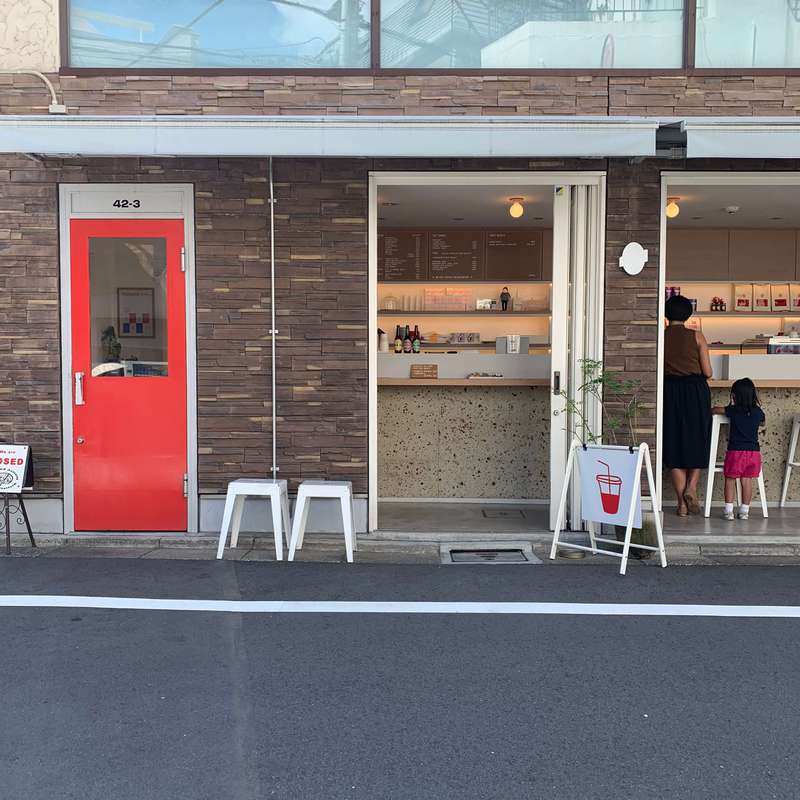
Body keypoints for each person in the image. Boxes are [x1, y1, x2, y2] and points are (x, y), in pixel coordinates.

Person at [663, 294, 713, 516]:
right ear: (688, 314)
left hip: (670, 391)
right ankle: (691, 488)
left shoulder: (660, 337)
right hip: (695, 392)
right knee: (697, 439)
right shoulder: (697, 336)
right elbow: (708, 372)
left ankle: (681, 504)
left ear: (666, 314)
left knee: (673, 442)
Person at [712, 378, 765, 521]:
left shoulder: (733, 410)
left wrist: (728, 405)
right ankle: (744, 511)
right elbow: (763, 421)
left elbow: (716, 410)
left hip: (736, 452)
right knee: (746, 480)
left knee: (730, 479)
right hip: (754, 453)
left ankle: (728, 511)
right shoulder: (757, 412)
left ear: (734, 396)